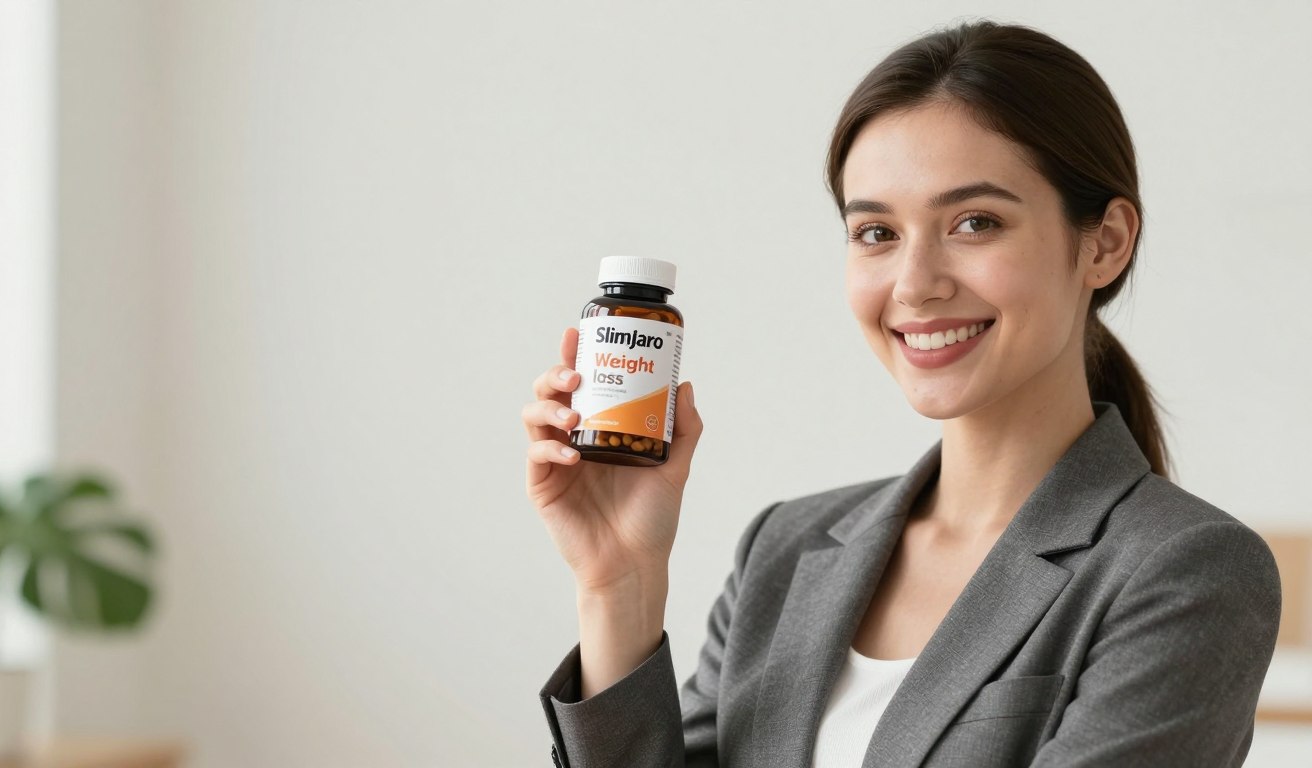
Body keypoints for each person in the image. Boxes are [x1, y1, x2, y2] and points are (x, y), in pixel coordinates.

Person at [522, 19, 1282, 768]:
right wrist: (619, 583)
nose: (915, 285)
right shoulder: (785, 548)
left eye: (975, 222)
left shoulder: (1186, 570)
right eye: (877, 233)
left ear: (1105, 243)